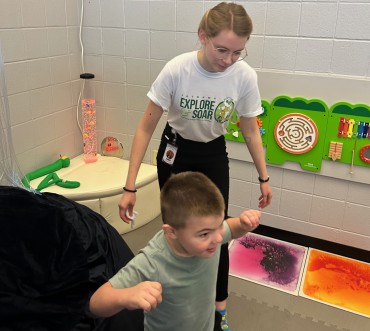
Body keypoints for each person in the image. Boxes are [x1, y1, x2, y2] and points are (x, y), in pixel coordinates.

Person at [118, 2, 272, 330]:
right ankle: (172, 299)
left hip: (212, 153)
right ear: (202, 36)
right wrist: (130, 186)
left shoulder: (244, 76)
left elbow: (249, 128)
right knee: (179, 231)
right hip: (176, 152)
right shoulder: (177, 69)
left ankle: (219, 309)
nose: (228, 59)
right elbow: (146, 126)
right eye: (221, 49)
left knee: (217, 232)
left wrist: (264, 176)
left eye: (237, 52)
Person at [91, 172, 261, 331]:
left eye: (218, 226)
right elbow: (96, 303)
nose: (218, 238)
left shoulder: (210, 236)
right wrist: (127, 296)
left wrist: (242, 224)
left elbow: (230, 228)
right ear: (171, 232)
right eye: (204, 234)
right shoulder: (152, 261)